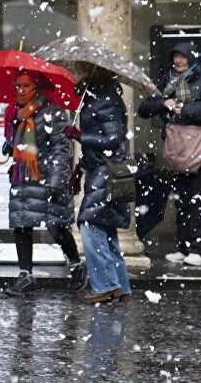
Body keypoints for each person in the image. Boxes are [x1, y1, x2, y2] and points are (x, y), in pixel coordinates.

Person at [136, 42, 201, 266]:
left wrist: (186, 110)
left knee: (199, 199)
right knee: (181, 200)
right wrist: (163, 103)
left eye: (183, 57)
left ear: (191, 58)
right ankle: (184, 247)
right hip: (177, 149)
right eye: (175, 56)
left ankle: (198, 250)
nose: (178, 61)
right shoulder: (167, 81)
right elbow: (144, 109)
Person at [1, 72, 85, 297]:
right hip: (22, 175)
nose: (20, 89)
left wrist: (56, 182)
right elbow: (20, 144)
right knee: (21, 224)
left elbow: (60, 149)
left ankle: (77, 265)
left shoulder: (53, 112)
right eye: (17, 85)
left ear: (37, 87)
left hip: (46, 176)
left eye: (25, 85)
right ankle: (25, 276)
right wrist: (10, 146)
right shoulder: (16, 112)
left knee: (56, 226)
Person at [65, 68, 132, 304]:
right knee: (105, 228)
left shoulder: (106, 99)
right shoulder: (95, 98)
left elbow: (114, 139)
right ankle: (120, 286)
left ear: (91, 73)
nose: (75, 75)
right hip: (99, 170)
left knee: (90, 223)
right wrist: (80, 168)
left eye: (78, 71)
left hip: (106, 172)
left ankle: (106, 285)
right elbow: (100, 142)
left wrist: (79, 136)